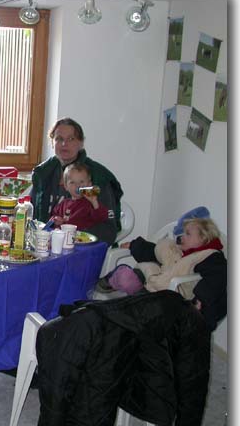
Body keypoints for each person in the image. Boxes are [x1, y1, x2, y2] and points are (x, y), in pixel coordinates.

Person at [96, 216, 226, 331]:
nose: (181, 236)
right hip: (152, 281)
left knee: (132, 308)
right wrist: (134, 245)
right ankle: (110, 282)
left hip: (170, 298)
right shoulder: (179, 250)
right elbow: (154, 251)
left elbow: (215, 278)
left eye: (188, 234)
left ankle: (127, 308)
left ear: (203, 238)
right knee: (126, 277)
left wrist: (200, 300)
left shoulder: (210, 256)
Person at [31, 117, 123, 245]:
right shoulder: (43, 173)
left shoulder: (97, 176)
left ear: (81, 143)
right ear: (52, 142)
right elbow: (31, 215)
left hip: (81, 246)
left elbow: (108, 231)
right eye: (59, 139)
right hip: (43, 242)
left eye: (71, 139)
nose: (64, 144)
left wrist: (73, 236)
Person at [49, 163, 111, 232]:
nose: (77, 185)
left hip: (81, 237)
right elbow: (53, 217)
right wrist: (56, 220)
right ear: (66, 186)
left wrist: (94, 202)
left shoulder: (90, 204)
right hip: (62, 236)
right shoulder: (63, 204)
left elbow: (102, 218)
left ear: (89, 184)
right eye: (72, 182)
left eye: (81, 182)